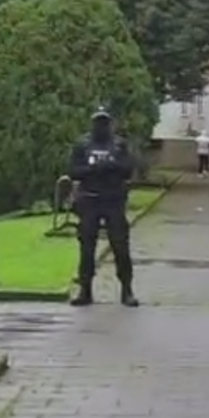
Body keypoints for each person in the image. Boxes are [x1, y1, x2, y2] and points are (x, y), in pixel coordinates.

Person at [67, 107, 140, 308]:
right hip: (90, 200)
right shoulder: (83, 144)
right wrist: (92, 169)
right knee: (87, 249)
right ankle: (85, 290)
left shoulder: (119, 145)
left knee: (120, 246)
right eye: (98, 122)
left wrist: (111, 166)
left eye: (104, 122)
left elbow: (128, 169)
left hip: (113, 200)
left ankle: (127, 290)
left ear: (110, 124)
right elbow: (73, 171)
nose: (101, 126)